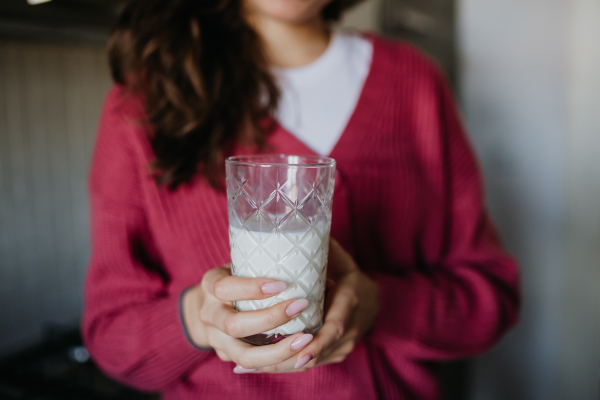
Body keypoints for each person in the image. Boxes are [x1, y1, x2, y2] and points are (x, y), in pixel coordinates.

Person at [82, 0, 521, 398]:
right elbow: (111, 336)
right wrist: (198, 318)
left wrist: (381, 306)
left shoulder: (414, 84)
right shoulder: (144, 107)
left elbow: (491, 295)